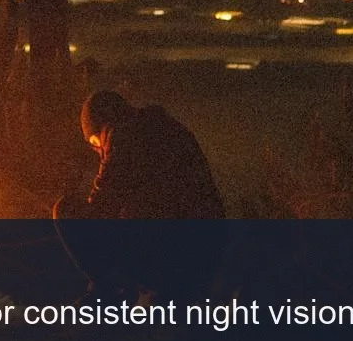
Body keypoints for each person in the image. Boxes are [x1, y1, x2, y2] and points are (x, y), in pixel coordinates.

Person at [53, 90, 226, 298]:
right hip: (209, 253)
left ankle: (108, 293)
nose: (98, 151)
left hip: (173, 258)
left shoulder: (122, 135)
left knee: (66, 210)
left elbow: (101, 207)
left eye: (95, 143)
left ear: (100, 128)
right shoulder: (165, 127)